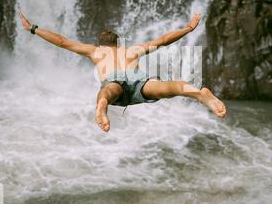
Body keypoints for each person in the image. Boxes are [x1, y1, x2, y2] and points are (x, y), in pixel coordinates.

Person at [19, 11, 226, 132]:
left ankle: (102, 106)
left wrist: (34, 29)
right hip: (139, 80)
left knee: (108, 91)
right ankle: (199, 93)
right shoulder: (131, 51)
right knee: (170, 87)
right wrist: (188, 28)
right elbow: (163, 41)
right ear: (118, 44)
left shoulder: (96, 51)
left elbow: (62, 42)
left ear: (101, 44)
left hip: (114, 80)